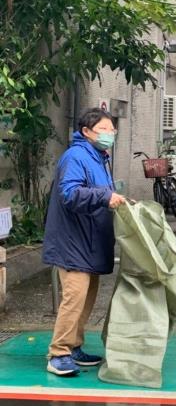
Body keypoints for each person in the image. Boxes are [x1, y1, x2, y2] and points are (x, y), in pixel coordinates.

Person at [43, 108, 126, 376]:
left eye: (112, 129)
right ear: (86, 132)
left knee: (86, 298)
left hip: (89, 241)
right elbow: (70, 193)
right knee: (74, 297)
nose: (109, 134)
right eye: (103, 129)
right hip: (73, 242)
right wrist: (104, 196)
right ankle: (58, 353)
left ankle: (74, 346)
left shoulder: (98, 158)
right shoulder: (76, 156)